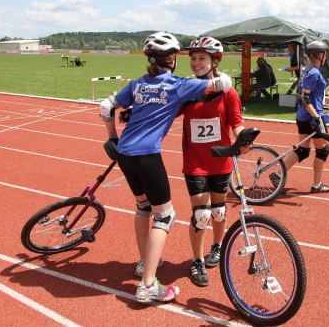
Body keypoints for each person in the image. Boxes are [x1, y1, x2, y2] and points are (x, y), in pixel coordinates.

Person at [99, 32, 233, 303]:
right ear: (172, 59)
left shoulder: (137, 84)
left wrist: (112, 138)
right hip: (147, 155)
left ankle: (143, 263)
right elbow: (224, 83)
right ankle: (148, 285)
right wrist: (217, 73)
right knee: (165, 216)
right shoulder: (178, 85)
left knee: (143, 206)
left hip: (124, 153)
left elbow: (106, 106)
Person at [179, 36, 245, 287]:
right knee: (201, 214)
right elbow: (164, 112)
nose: (196, 62)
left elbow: (236, 123)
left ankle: (217, 246)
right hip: (195, 162)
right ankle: (197, 260)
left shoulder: (228, 92)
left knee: (218, 211)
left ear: (214, 61)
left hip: (221, 161)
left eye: (202, 58)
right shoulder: (187, 90)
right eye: (193, 58)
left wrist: (243, 139)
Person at [270, 39, 329, 193]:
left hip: (303, 116)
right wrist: (316, 117)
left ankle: (278, 175)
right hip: (312, 117)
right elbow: (305, 98)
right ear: (319, 55)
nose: (326, 57)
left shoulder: (307, 70)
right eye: (324, 54)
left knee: (303, 150)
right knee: (323, 150)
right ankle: (317, 185)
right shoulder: (314, 73)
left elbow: (314, 95)